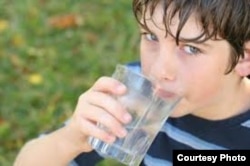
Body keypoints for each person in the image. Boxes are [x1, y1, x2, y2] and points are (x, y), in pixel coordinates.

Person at [14, 0, 250, 166]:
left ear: (244, 57)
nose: (159, 71)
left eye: (191, 48)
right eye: (151, 37)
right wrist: (71, 138)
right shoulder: (136, 94)